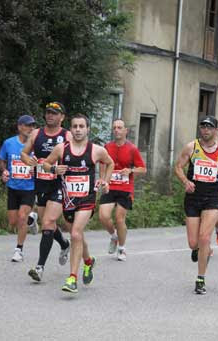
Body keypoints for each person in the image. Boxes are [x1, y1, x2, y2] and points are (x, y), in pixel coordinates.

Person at [43, 114, 114, 293]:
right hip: (68, 199)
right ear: (71, 129)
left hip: (86, 199)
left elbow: (110, 162)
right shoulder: (61, 148)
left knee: (75, 234)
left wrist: (105, 181)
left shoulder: (96, 150)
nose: (78, 130)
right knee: (78, 236)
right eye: (74, 126)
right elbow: (45, 164)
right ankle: (88, 261)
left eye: (81, 126)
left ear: (87, 129)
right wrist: (53, 169)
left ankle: (72, 278)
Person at [175, 116, 218, 295]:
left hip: (213, 197)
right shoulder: (191, 147)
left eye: (209, 127)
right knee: (193, 243)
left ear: (216, 130)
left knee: (204, 238)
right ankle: (204, 251)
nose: (205, 130)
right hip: (193, 197)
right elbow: (178, 167)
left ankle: (200, 279)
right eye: (203, 127)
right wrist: (185, 181)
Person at [21, 102, 72, 281]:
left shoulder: (67, 135)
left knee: (49, 221)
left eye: (54, 113)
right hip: (41, 183)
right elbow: (24, 153)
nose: (50, 115)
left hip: (59, 185)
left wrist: (65, 168)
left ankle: (39, 267)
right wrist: (28, 161)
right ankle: (65, 244)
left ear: (62, 117)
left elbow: (77, 155)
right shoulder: (36, 134)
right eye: (48, 113)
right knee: (47, 224)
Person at [98, 119, 146, 261]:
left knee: (119, 219)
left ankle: (122, 248)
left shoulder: (132, 149)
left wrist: (131, 170)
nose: (117, 130)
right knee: (103, 216)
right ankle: (114, 237)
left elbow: (143, 169)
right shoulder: (107, 147)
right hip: (110, 186)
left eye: (120, 128)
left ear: (126, 131)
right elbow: (102, 164)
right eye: (114, 128)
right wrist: (102, 179)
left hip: (125, 188)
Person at [0, 115, 38, 262]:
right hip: (13, 187)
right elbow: (2, 160)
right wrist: (4, 171)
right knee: (13, 222)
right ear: (20, 127)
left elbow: (45, 163)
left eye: (33, 126)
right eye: (28, 125)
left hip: (29, 188)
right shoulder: (8, 143)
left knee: (22, 217)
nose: (31, 128)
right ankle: (31, 220)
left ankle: (18, 250)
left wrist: (37, 169)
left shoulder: (36, 145)